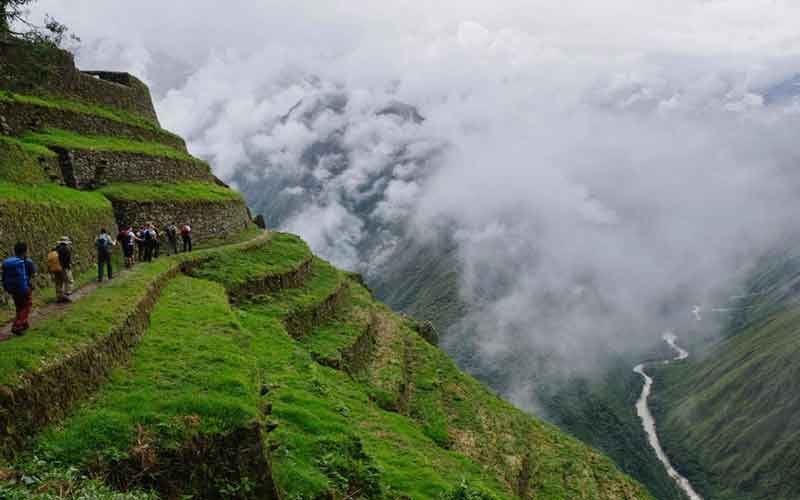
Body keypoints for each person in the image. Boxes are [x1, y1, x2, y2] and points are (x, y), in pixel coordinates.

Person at [2, 242, 36, 335]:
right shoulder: (28, 261)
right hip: (24, 288)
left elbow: (3, 277)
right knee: (26, 306)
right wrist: (32, 285)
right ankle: (17, 325)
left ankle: (24, 323)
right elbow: (33, 275)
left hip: (13, 289)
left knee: (19, 307)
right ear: (25, 251)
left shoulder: (9, 262)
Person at [50, 236, 73, 303]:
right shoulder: (67, 249)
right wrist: (69, 266)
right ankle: (66, 296)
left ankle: (59, 297)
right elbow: (67, 261)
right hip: (64, 268)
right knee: (69, 281)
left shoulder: (55, 249)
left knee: (58, 282)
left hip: (56, 268)